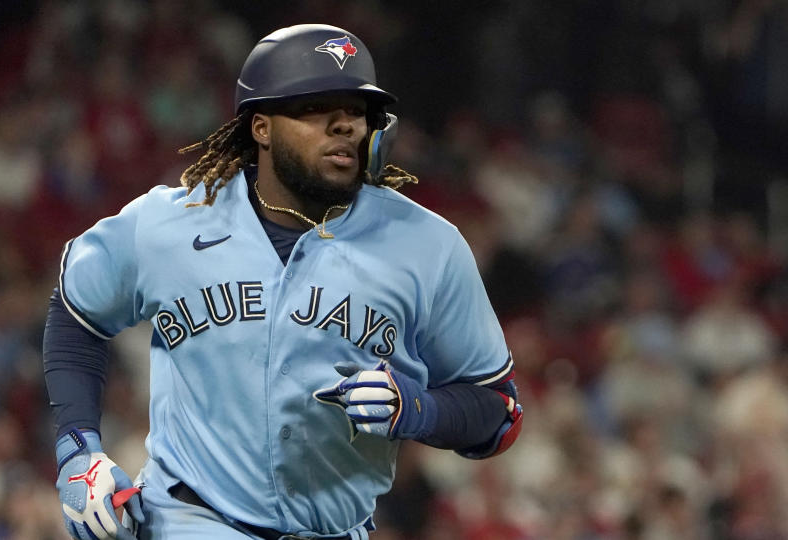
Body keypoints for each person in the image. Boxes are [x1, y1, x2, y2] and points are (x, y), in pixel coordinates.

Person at [43, 24, 523, 540]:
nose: (345, 126)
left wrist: (418, 409)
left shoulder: (428, 245)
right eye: (318, 108)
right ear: (262, 127)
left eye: (357, 111)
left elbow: (499, 411)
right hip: (189, 520)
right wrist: (79, 452)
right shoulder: (169, 223)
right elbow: (75, 315)